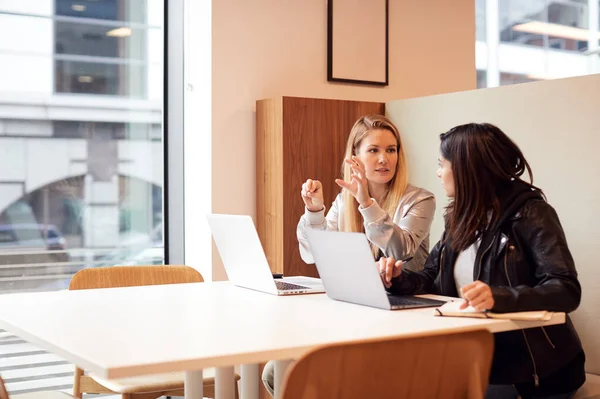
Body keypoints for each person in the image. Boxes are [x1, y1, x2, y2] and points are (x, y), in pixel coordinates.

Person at [378, 123, 585, 399]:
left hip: (535, 375)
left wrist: (499, 298)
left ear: (466, 168)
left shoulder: (532, 213)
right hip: (477, 362)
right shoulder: (460, 216)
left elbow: (566, 289)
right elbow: (431, 278)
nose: (438, 173)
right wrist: (398, 279)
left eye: (443, 164)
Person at [262, 114, 436, 397]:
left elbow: (400, 249)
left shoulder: (419, 199)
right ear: (354, 157)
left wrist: (366, 202)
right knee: (276, 370)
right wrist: (314, 211)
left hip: (401, 318)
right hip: (355, 313)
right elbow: (313, 254)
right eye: (373, 150)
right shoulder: (345, 200)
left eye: (391, 150)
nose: (384, 159)